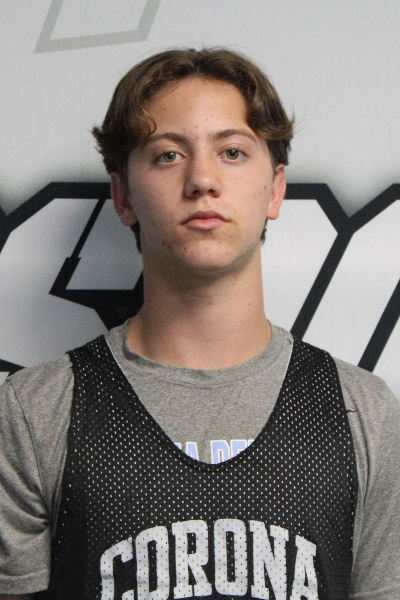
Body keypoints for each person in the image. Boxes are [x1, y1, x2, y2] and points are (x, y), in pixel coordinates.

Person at [0, 47, 399, 600]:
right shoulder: (34, 411)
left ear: (275, 188)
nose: (202, 179)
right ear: (123, 196)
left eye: (232, 152)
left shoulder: (364, 412)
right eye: (168, 155)